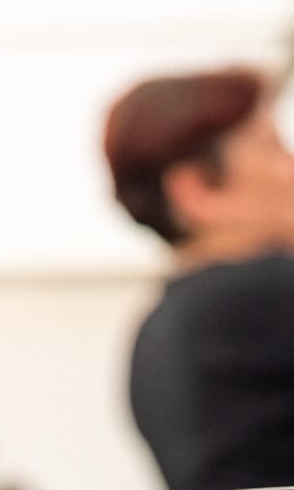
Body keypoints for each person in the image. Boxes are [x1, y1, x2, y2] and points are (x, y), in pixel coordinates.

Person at [104, 65, 294, 490]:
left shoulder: (156, 331)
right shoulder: (258, 294)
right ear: (197, 190)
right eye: (272, 148)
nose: (291, 167)